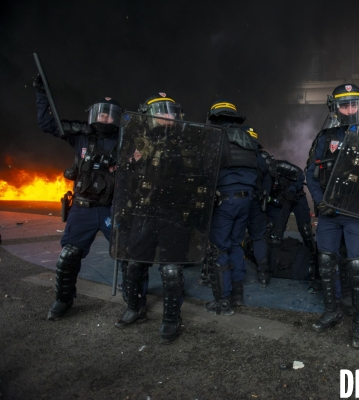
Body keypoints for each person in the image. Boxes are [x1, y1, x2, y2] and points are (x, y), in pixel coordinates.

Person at [34, 75, 122, 321]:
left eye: (110, 114)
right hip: (82, 208)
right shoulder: (81, 136)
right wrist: (41, 94)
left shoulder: (125, 141)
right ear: (94, 115)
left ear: (116, 118)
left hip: (110, 209)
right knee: (68, 256)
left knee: (128, 255)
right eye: (101, 113)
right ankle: (63, 300)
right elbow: (47, 125)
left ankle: (135, 303)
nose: (105, 118)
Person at [114, 93, 188, 344]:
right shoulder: (135, 144)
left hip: (172, 215)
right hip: (143, 213)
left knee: (170, 270)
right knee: (134, 263)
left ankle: (171, 318)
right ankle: (135, 307)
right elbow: (124, 179)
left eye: (171, 112)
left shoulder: (185, 144)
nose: (168, 116)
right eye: (161, 112)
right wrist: (123, 208)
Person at [306, 84, 359, 348]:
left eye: (354, 104)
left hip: (354, 213)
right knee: (326, 260)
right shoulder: (325, 137)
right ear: (336, 108)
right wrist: (321, 202)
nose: (350, 110)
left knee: (357, 266)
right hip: (330, 212)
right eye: (344, 105)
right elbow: (310, 173)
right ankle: (332, 311)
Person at [203, 100, 260, 316]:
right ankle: (238, 295)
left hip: (225, 200)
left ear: (216, 118)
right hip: (247, 199)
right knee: (236, 244)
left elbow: (206, 168)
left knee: (219, 249)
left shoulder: (215, 137)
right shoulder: (248, 137)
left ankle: (223, 301)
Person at [267, 158, 317, 287]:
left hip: (296, 197)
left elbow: (300, 174)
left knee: (305, 230)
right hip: (281, 200)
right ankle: (272, 264)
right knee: (275, 232)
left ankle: (314, 259)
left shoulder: (278, 165)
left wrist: (292, 190)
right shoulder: (260, 174)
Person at [241, 126, 273, 289]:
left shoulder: (236, 154)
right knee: (259, 237)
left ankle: (232, 277)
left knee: (230, 239)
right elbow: (267, 185)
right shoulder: (262, 158)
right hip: (256, 202)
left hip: (237, 201)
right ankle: (263, 273)